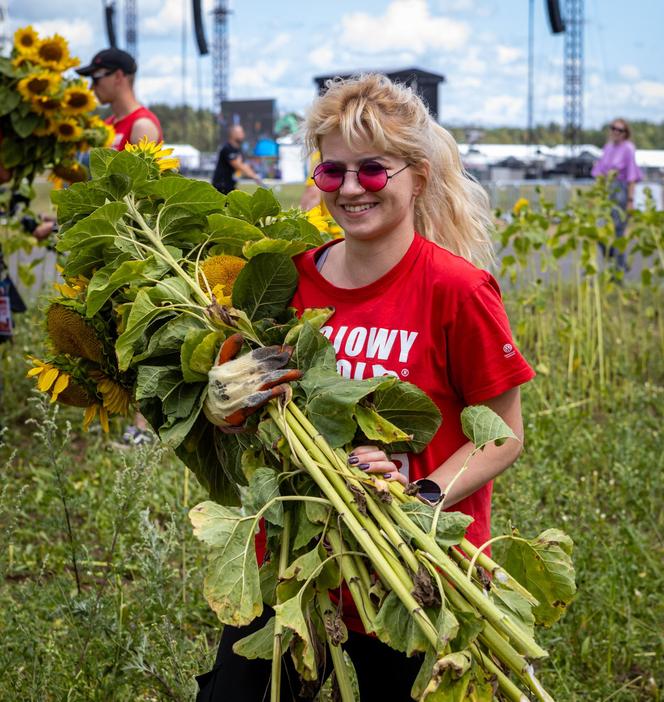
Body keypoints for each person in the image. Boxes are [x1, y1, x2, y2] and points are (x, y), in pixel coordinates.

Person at [196, 74, 535, 701]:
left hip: (412, 575)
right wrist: (226, 405)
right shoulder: (286, 282)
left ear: (418, 176)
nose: (350, 189)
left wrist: (418, 493)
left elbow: (503, 434)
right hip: (294, 569)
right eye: (333, 172)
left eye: (372, 171)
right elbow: (262, 417)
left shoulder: (456, 291)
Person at [76, 48, 162, 150]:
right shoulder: (107, 125)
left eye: (96, 77)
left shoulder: (142, 126)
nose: (92, 87)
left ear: (118, 76)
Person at [591, 118, 642, 271]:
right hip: (606, 190)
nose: (615, 132)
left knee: (619, 231)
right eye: (613, 128)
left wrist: (630, 200)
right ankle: (614, 256)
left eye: (619, 130)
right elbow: (599, 171)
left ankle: (619, 270)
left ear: (625, 133)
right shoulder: (607, 148)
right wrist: (596, 194)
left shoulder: (628, 148)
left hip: (621, 190)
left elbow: (632, 176)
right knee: (597, 228)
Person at [212, 124, 264, 194]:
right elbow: (238, 165)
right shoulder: (227, 148)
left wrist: (253, 174)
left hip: (229, 186)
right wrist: (254, 176)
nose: (243, 134)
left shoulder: (238, 149)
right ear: (233, 134)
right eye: (240, 132)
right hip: (221, 186)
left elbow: (243, 165)